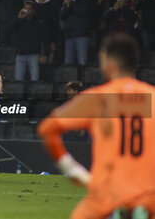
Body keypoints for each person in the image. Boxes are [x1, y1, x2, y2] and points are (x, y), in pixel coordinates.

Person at [38, 34, 155, 218]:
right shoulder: (152, 97)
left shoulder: (98, 98)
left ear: (110, 63)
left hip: (105, 197)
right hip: (148, 199)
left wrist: (73, 170)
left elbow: (47, 129)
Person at [60, 0, 90, 65]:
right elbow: (62, 15)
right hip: (69, 36)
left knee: (82, 61)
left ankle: (82, 77)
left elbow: (82, 12)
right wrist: (67, 4)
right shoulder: (67, 1)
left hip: (81, 35)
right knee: (68, 63)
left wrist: (71, 3)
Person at [12, 0, 41, 82]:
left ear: (33, 10)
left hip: (34, 55)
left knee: (35, 81)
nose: (27, 11)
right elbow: (11, 30)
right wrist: (18, 18)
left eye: (29, 9)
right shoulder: (20, 21)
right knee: (18, 82)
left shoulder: (38, 22)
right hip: (20, 55)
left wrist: (45, 54)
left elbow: (44, 38)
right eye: (25, 9)